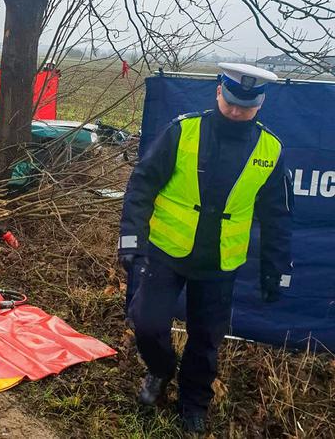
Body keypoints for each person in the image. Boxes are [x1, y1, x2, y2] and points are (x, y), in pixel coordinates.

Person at [118, 63, 293, 434]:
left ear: (260, 104)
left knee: (206, 342)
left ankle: (193, 403)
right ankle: (161, 371)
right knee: (147, 324)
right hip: (166, 252)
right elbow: (142, 185)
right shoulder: (183, 131)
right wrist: (131, 238)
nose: (236, 111)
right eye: (231, 102)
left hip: (219, 264)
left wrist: (274, 269)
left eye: (245, 106)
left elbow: (277, 217)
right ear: (218, 91)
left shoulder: (270, 150)